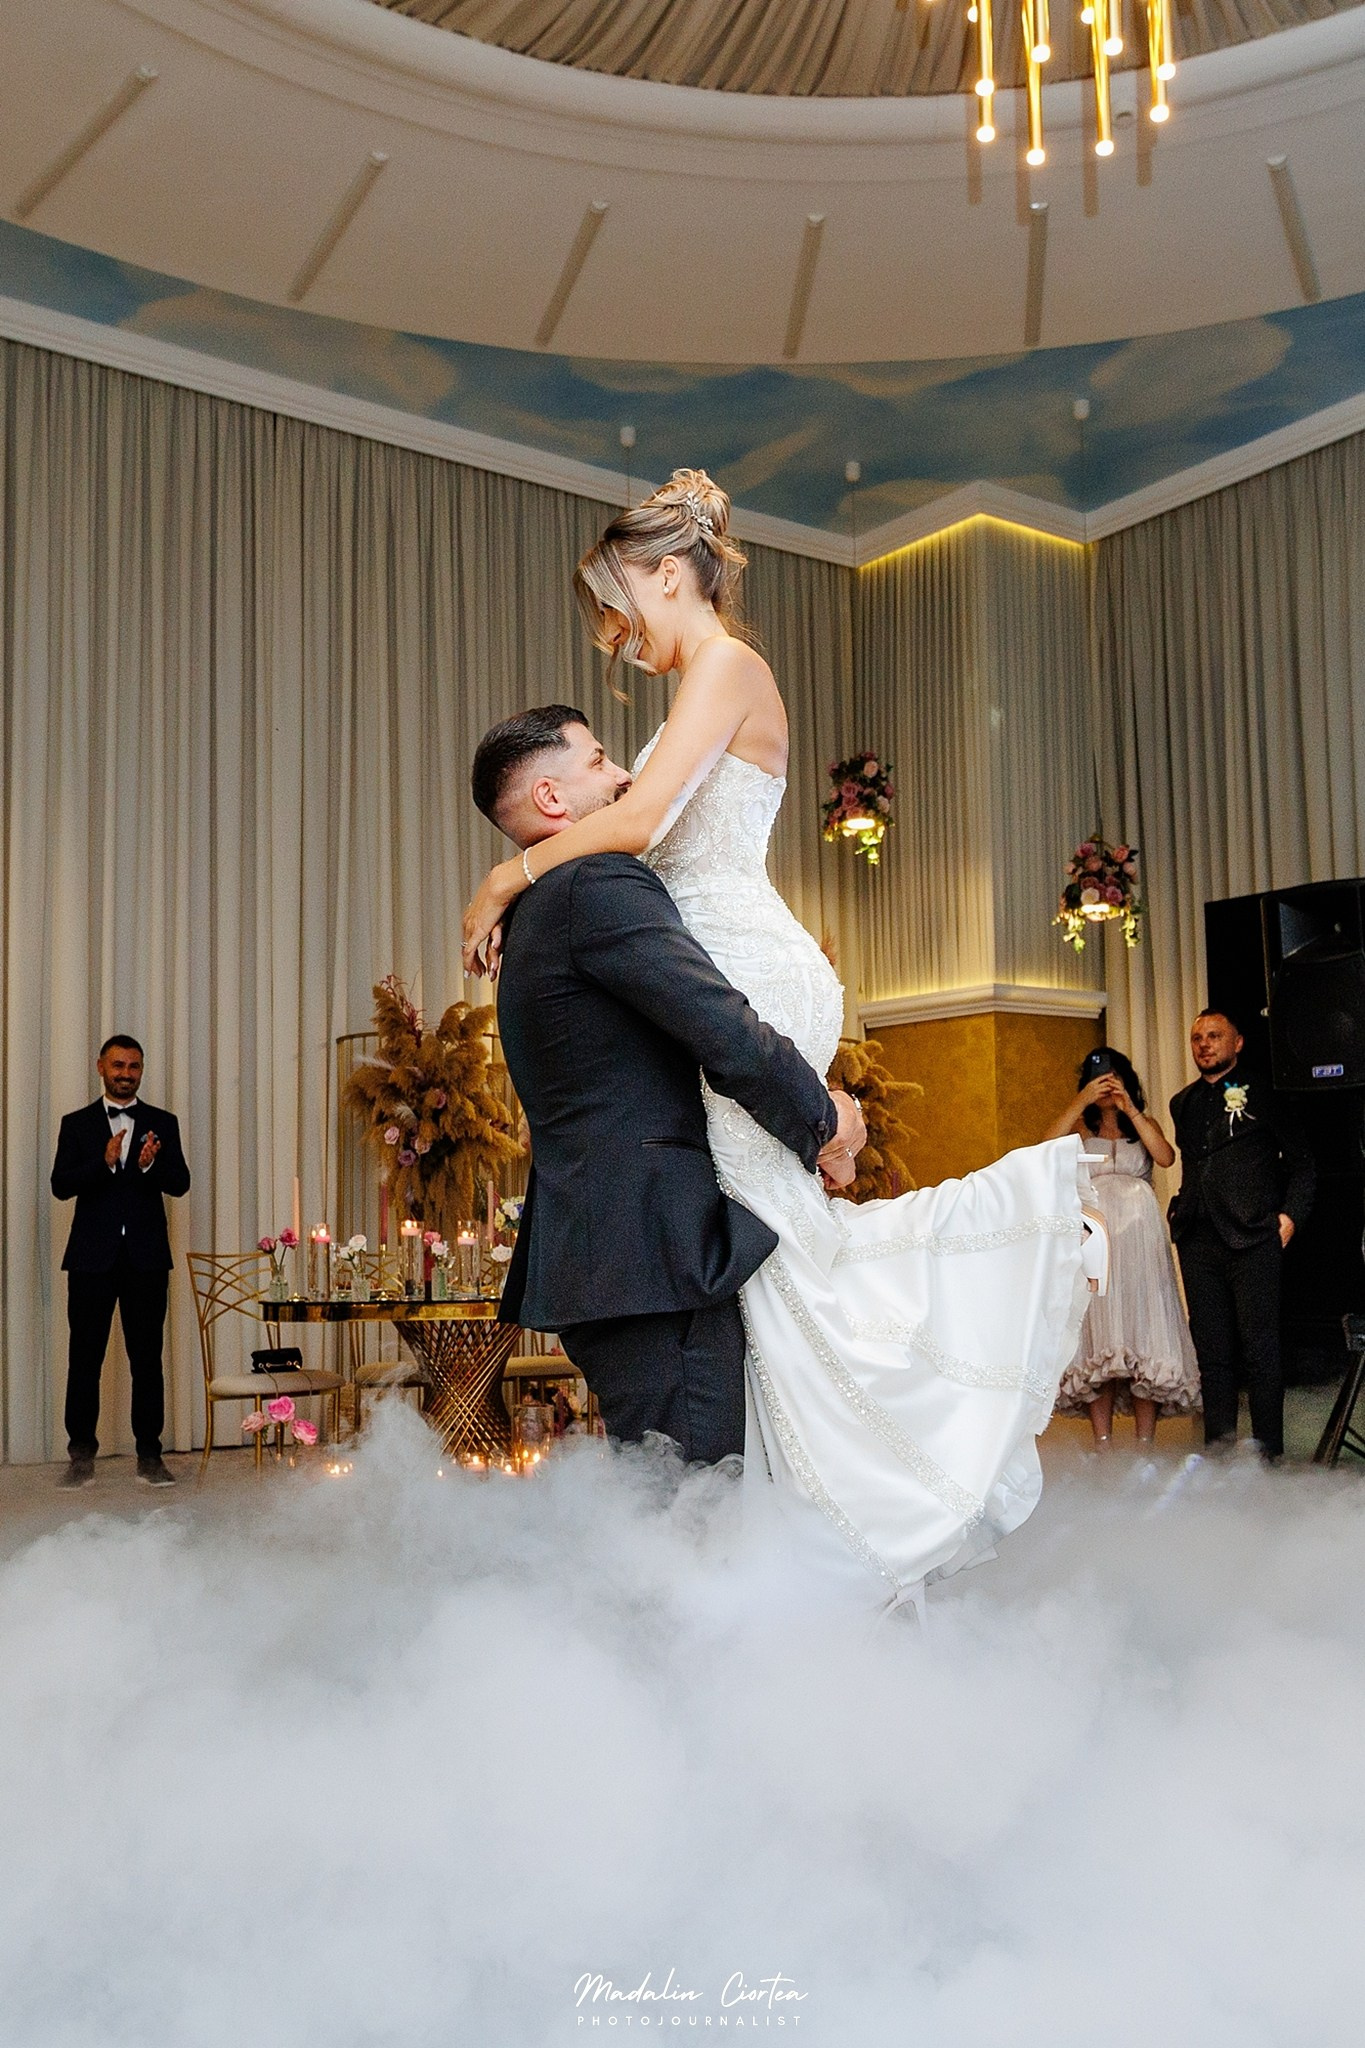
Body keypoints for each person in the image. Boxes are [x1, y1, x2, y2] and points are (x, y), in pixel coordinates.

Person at [464, 471, 1101, 1609]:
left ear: (669, 573)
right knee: (769, 1267)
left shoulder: (726, 665)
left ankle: (772, 1533)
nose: (615, 639)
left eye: (618, 607)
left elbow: (639, 823)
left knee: (759, 1238)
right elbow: (626, 831)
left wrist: (504, 876)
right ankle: (796, 1524)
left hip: (743, 969)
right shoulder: (684, 708)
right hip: (712, 975)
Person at [471, 705, 864, 1467]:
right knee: (691, 1503)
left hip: (619, 1249)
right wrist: (826, 1125)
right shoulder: (596, 882)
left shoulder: (540, 904)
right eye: (597, 761)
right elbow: (722, 1029)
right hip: (652, 1251)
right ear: (550, 797)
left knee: (667, 1498)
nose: (624, 776)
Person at [1168, 1009, 1315, 1462]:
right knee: (1212, 1354)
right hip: (1198, 1238)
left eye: (1214, 1036)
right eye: (1197, 1038)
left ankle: (1267, 1457)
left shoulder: (1264, 1094)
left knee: (1260, 1351)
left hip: (1253, 1235)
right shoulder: (1182, 1102)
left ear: (1237, 1043)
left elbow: (1303, 1163)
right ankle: (1219, 1454)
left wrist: (1290, 1216)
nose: (1204, 1044)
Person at [51, 1035, 191, 1488]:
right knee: (84, 1360)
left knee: (147, 1361)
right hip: (90, 1261)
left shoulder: (163, 1123)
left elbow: (180, 1183)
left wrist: (150, 1165)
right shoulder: (76, 1124)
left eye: (133, 1066)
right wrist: (104, 1161)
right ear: (101, 1067)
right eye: (118, 1065)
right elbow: (60, 1185)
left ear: (141, 1070)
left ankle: (150, 1455)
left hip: (146, 1261)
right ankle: (80, 1458)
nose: (126, 1074)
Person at [1045, 1047, 1200, 1447]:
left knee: (1142, 1332)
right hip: (1095, 1238)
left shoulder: (1143, 1124)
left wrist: (1129, 1107)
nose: (1107, 1085)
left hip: (1140, 1241)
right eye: (1099, 1078)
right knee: (1100, 1335)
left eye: (1113, 1077)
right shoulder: (1080, 1132)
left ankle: (1145, 1443)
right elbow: (1043, 1149)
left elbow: (1165, 1157)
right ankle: (1103, 1443)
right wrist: (1081, 1101)